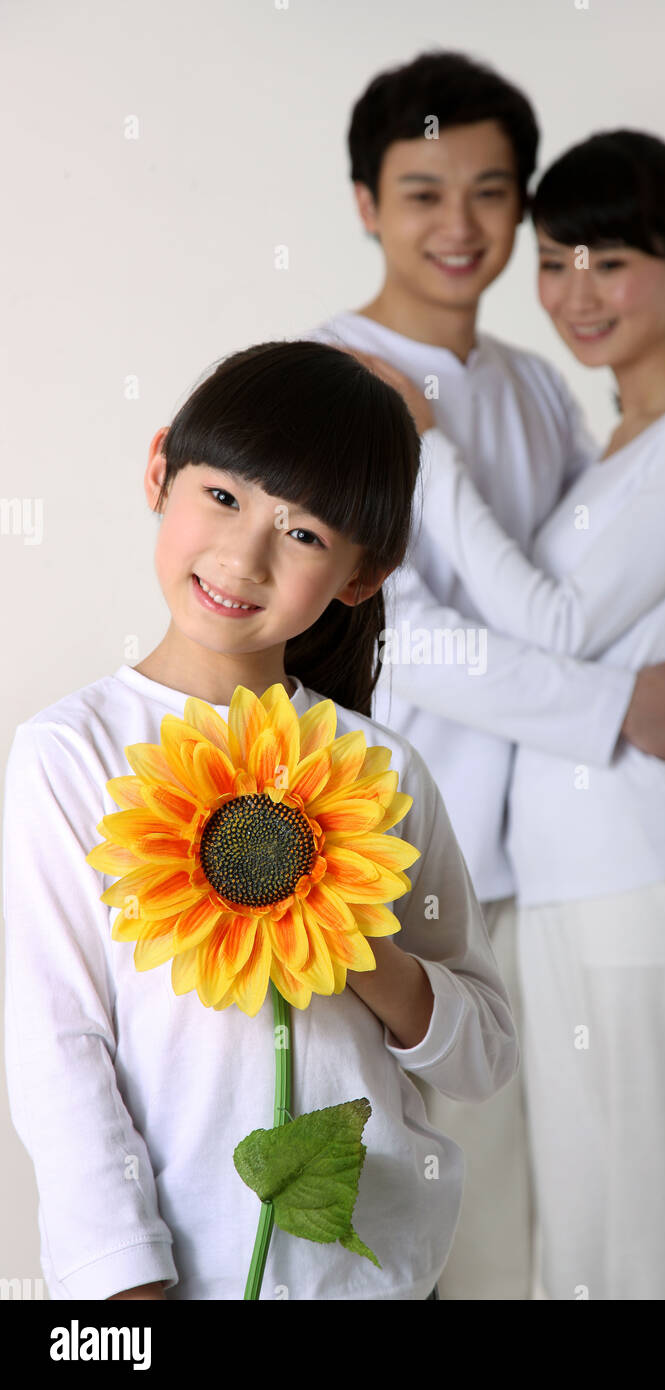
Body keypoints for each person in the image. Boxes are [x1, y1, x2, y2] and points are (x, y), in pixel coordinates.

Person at [302, 51, 665, 1298]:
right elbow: (381, 628)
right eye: (421, 192)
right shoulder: (326, 377)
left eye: (489, 194)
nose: (457, 226)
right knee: (404, 1230)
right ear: (366, 202)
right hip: (388, 873)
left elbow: (595, 577)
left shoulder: (535, 390)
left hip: (539, 881)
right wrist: (608, 705)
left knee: (551, 1232)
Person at [2, 340, 518, 1301]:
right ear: (159, 469)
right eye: (224, 497)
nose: (243, 557)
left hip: (378, 1278)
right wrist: (129, 1295)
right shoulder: (68, 755)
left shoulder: (380, 767)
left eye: (306, 534)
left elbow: (484, 1051)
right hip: (177, 1285)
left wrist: (357, 948)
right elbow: (58, 1054)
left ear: (363, 577)